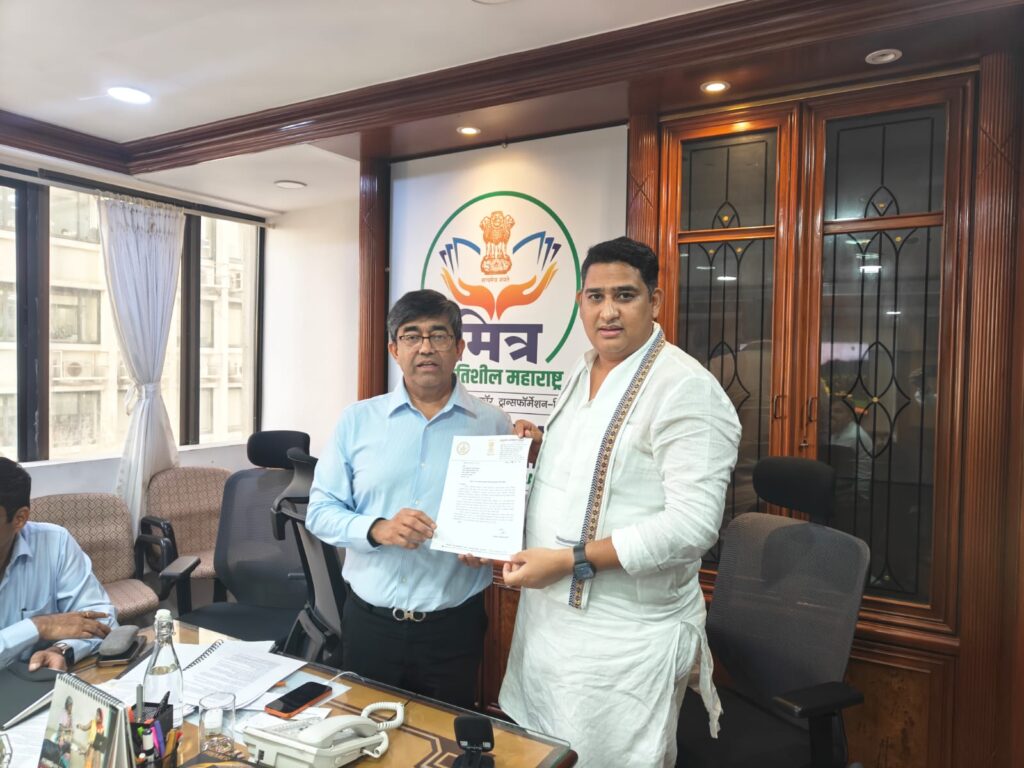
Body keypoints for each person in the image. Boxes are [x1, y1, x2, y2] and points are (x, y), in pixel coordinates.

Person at [498, 237, 741, 767]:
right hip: (547, 629)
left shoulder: (685, 388)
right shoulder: (583, 369)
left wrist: (568, 561)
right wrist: (540, 447)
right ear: (580, 303)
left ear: (655, 300)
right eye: (595, 296)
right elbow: (600, 467)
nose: (607, 311)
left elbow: (692, 526)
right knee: (540, 753)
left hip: (621, 644)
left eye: (624, 296)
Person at [306, 289, 512, 708]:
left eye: (439, 335)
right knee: (364, 731)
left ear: (459, 348)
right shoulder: (358, 420)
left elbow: (500, 517)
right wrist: (376, 529)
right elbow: (320, 513)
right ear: (394, 350)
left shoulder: (493, 424)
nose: (426, 347)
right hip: (370, 624)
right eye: (412, 336)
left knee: (444, 736)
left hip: (454, 628)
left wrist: (489, 546)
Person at [0, 457, 114, 671]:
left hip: (38, 678)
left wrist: (61, 649)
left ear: (20, 518)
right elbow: (43, 627)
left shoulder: (55, 542)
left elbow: (101, 618)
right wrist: (39, 626)